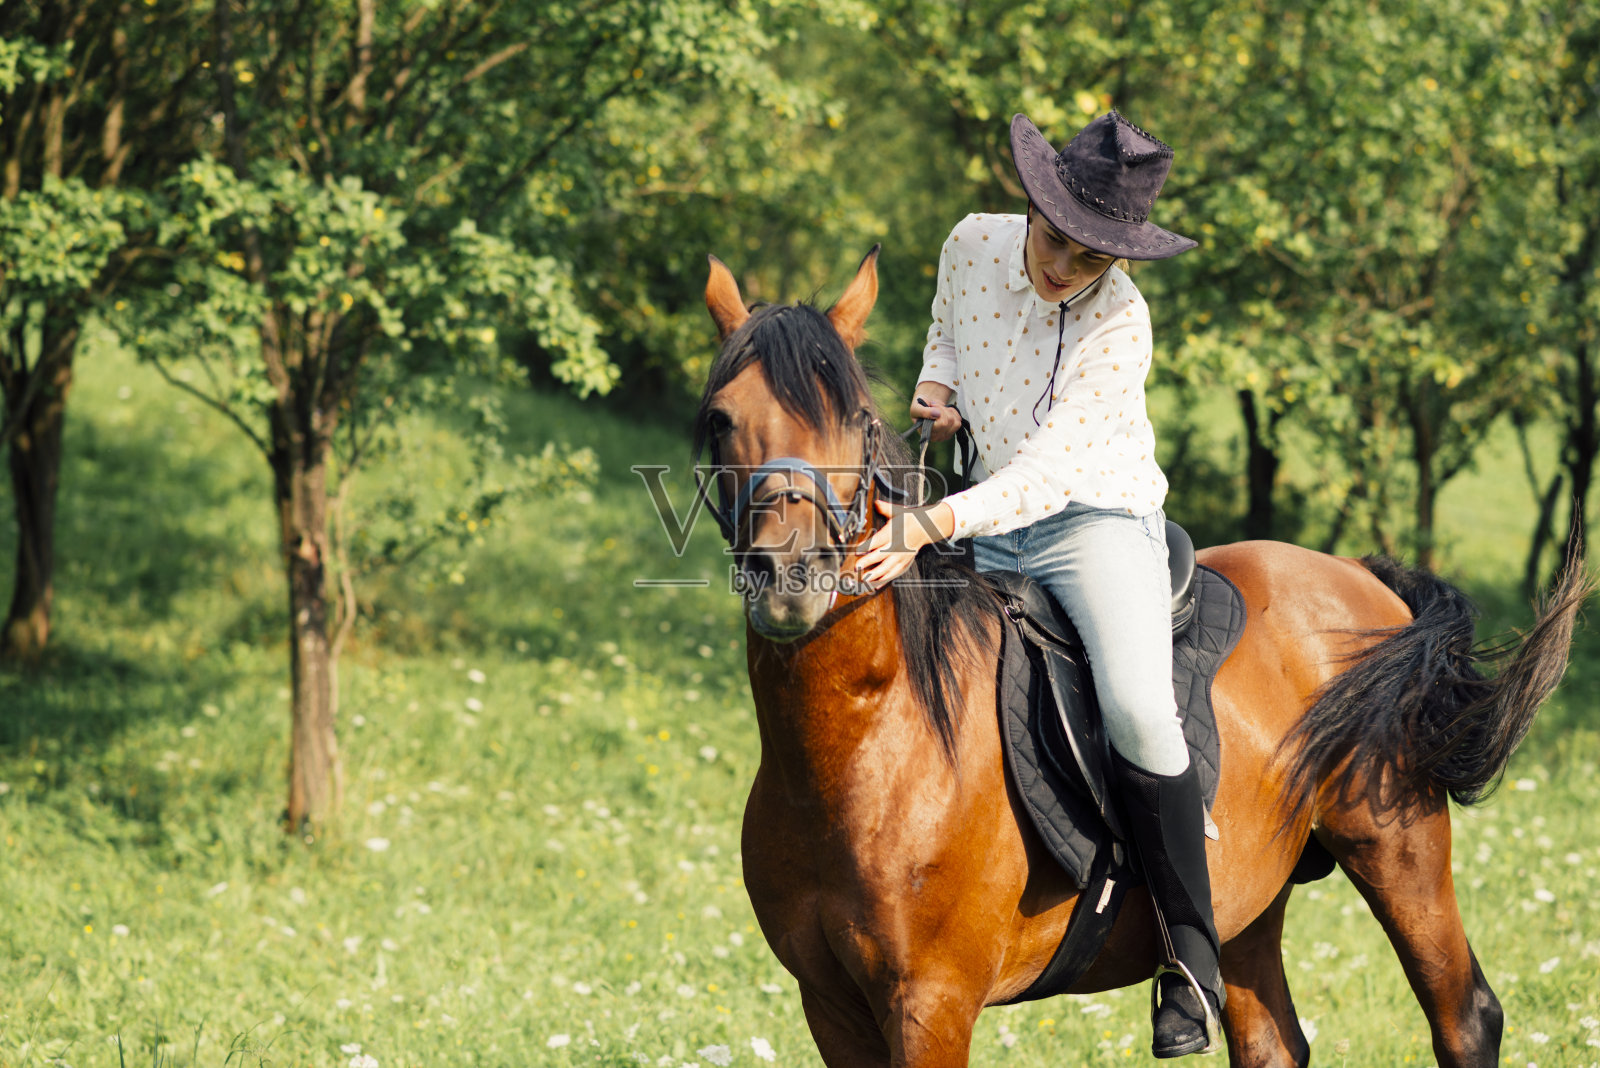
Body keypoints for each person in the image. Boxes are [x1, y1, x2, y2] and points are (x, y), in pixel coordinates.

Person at [853, 111, 1220, 1059]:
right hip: (980, 503)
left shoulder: (1121, 321)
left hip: (1088, 519)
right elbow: (944, 333)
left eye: (1094, 256)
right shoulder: (972, 242)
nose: (1065, 265)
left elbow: (1051, 472)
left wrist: (932, 523)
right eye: (1056, 237)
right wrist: (937, 391)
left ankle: (1191, 954)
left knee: (1140, 708)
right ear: (1030, 203)